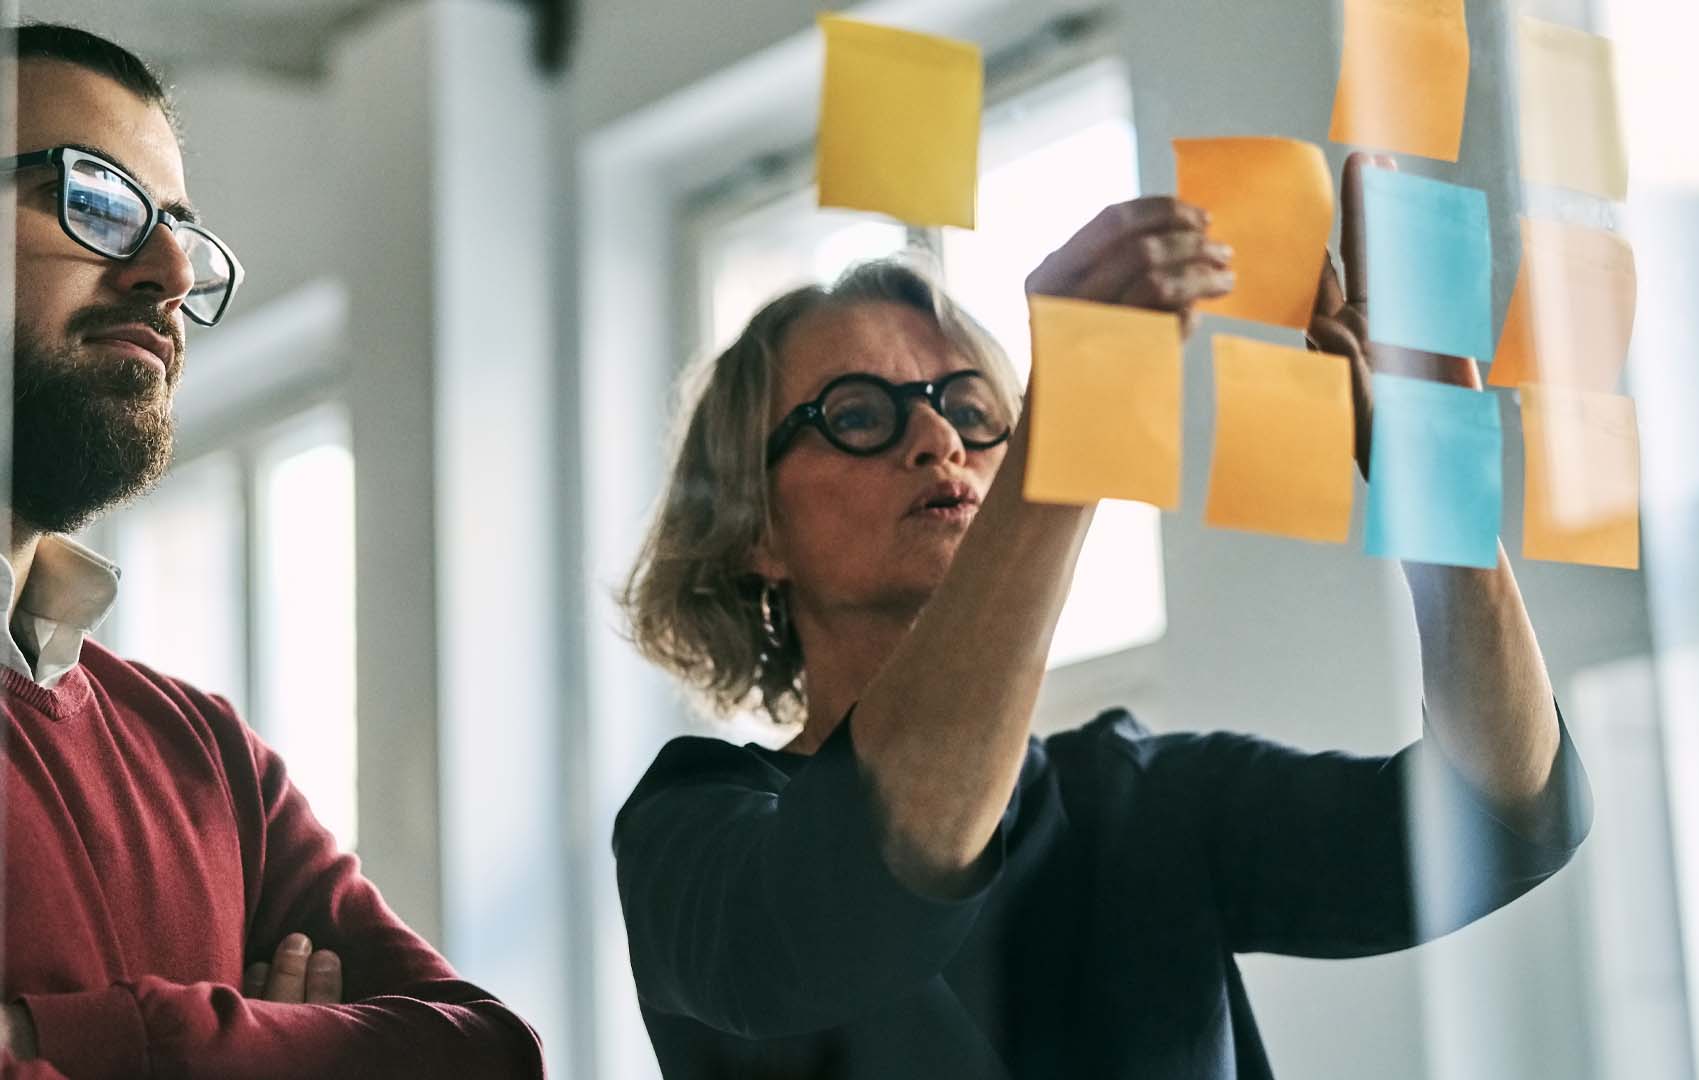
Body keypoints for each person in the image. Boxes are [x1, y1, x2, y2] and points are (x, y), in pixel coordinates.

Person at [614, 151, 1592, 1079]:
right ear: (756, 529)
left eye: (970, 405)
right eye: (860, 414)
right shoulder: (690, 829)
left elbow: (1502, 811)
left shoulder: (1140, 801)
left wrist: (1437, 496)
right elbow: (881, 870)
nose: (937, 435)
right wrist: (1074, 428)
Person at [0, 23, 543, 1078]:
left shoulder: (203, 753)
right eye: (98, 203)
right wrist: (281, 1050)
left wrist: (107, 1037)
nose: (166, 273)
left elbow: (487, 1054)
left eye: (182, 236)